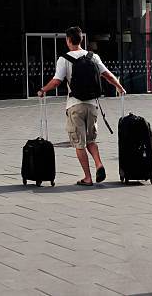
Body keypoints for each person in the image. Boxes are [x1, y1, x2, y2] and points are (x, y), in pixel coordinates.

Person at [38, 26, 126, 186]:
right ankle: (99, 164)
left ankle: (88, 177)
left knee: (79, 143)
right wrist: (119, 87)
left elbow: (57, 81)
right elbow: (107, 75)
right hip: (92, 105)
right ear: (81, 39)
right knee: (91, 140)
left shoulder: (64, 58)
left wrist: (43, 89)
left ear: (68, 40)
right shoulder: (93, 56)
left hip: (75, 105)